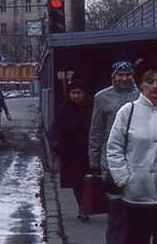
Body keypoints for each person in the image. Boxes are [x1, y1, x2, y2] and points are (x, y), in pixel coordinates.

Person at [105, 58, 157, 244]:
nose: (155, 86)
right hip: (136, 193)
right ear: (140, 84)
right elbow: (114, 148)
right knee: (136, 238)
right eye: (150, 81)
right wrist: (125, 178)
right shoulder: (128, 111)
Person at [89, 55, 140, 244]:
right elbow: (96, 131)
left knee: (136, 210)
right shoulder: (102, 97)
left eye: (128, 74)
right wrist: (94, 162)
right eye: (120, 74)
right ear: (113, 76)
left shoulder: (142, 95)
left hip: (138, 159)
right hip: (110, 160)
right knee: (116, 208)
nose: (124, 78)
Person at [51, 79, 93, 222]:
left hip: (88, 149)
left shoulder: (92, 107)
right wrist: (56, 142)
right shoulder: (63, 109)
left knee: (87, 180)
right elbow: (56, 127)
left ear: (84, 93)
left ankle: (87, 205)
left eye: (79, 93)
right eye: (73, 93)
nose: (76, 96)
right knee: (76, 182)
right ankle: (81, 206)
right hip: (70, 151)